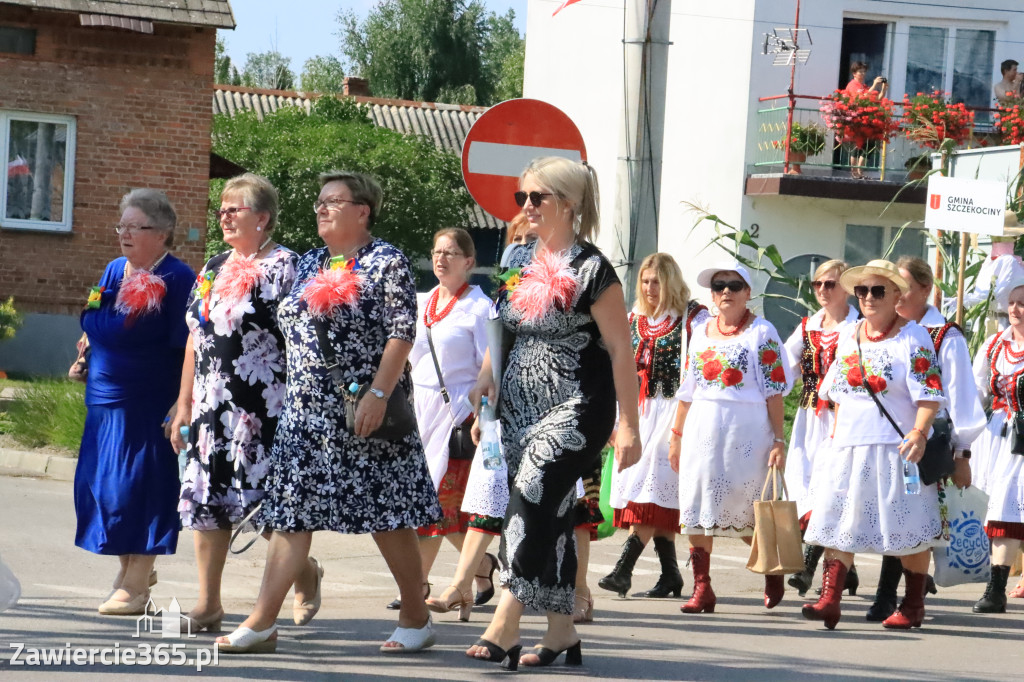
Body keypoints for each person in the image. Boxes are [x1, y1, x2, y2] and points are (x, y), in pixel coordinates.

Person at [215, 171, 441, 654]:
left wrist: (378, 396)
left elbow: (403, 331)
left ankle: (416, 615)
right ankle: (262, 622)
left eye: (333, 201)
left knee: (388, 514)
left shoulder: (386, 262)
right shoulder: (312, 261)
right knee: (291, 515)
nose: (321, 208)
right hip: (305, 415)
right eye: (319, 201)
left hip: (362, 410)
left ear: (363, 210)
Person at [465, 157, 641, 670]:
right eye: (523, 198)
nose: (525, 207)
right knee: (555, 515)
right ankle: (562, 630)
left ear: (568, 202)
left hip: (577, 407)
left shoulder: (594, 270)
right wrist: (484, 387)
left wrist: (629, 425)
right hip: (519, 407)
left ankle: (507, 616)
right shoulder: (518, 257)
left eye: (536, 198)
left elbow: (620, 350)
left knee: (533, 496)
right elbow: (502, 329)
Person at [169, 174, 309, 633]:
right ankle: (209, 603)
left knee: (266, 507)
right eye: (222, 209)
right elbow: (197, 336)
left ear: (263, 218)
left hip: (266, 407)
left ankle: (304, 571)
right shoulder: (212, 266)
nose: (224, 215)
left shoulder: (289, 267)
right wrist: (184, 402)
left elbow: (304, 340)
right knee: (206, 501)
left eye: (235, 208)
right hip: (211, 408)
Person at [802, 259, 945, 630]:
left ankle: (913, 604)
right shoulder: (849, 335)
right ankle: (829, 599)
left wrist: (919, 432)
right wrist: (836, 433)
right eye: (862, 290)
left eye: (878, 290)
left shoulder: (913, 337)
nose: (868, 297)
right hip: (849, 445)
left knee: (908, 527)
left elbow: (929, 395)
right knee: (837, 519)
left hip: (895, 449)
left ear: (897, 294)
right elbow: (832, 391)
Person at [75, 189, 195, 615]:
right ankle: (132, 572)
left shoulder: (179, 279)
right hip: (103, 400)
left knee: (142, 487)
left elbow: (189, 348)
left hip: (148, 400)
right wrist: (86, 348)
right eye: (121, 225)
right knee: (110, 490)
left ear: (161, 234)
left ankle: (137, 583)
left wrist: (181, 403)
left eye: (134, 226)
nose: (123, 234)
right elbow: (94, 314)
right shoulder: (112, 269)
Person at [857, 256, 987, 620]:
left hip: (928, 440)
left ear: (926, 289)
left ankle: (904, 599)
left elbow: (962, 397)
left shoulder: (944, 335)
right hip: (889, 439)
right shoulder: (878, 331)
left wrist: (962, 452)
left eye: (901, 287)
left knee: (914, 517)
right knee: (892, 513)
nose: (893, 295)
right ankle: (886, 596)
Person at [667, 261, 791, 614]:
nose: (725, 292)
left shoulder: (762, 332)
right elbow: (688, 390)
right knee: (696, 504)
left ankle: (771, 567)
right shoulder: (701, 330)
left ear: (748, 293)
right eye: (719, 285)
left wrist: (779, 441)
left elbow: (775, 392)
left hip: (747, 430)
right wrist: (676, 435)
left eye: (734, 286)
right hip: (702, 428)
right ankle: (702, 586)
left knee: (748, 506)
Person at [600, 253, 709, 600]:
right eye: (645, 281)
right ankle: (671, 575)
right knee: (651, 494)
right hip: (639, 413)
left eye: (657, 281)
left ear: (671, 282)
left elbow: (702, 370)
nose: (649, 288)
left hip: (675, 414)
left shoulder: (693, 318)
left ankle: (624, 569)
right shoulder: (633, 319)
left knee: (653, 491)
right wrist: (614, 421)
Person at [411, 227, 495, 620]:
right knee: (438, 509)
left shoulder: (479, 308)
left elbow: (489, 368)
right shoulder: (421, 302)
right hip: (419, 415)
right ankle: (483, 567)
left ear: (469, 262)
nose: (441, 258)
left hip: (456, 417)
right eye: (437, 251)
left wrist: (480, 414)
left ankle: (416, 587)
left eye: (451, 252)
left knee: (436, 506)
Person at [783, 259, 860, 597]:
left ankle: (808, 568)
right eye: (818, 284)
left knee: (830, 490)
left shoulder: (857, 327)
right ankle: (848, 571)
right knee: (804, 486)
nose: (823, 290)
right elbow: (783, 367)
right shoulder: (807, 327)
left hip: (842, 419)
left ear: (846, 287)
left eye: (830, 284)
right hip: (808, 417)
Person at [970, 278, 1024, 614]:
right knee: (995, 504)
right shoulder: (994, 344)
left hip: (1023, 438)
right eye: (1013, 303)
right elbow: (975, 393)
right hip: (997, 434)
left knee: (1008, 506)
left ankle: (996, 588)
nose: (1016, 310)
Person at [844, 61, 888, 179]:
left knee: (868, 146)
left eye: (864, 72)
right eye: (860, 72)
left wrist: (883, 89)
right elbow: (861, 98)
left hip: (866, 119)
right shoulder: (853, 85)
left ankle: (860, 171)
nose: (863, 74)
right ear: (854, 73)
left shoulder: (864, 86)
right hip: (857, 119)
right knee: (858, 145)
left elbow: (876, 99)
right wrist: (874, 85)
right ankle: (855, 172)